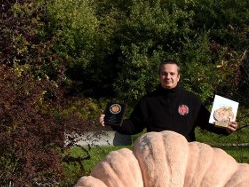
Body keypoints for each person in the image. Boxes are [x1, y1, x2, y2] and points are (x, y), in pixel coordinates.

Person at [99, 59, 238, 142]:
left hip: (186, 155)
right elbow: (134, 126)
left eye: (172, 74)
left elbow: (208, 122)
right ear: (159, 76)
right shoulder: (148, 101)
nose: (168, 77)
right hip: (155, 154)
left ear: (178, 77)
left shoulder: (192, 100)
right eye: (164, 74)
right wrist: (113, 121)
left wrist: (226, 128)